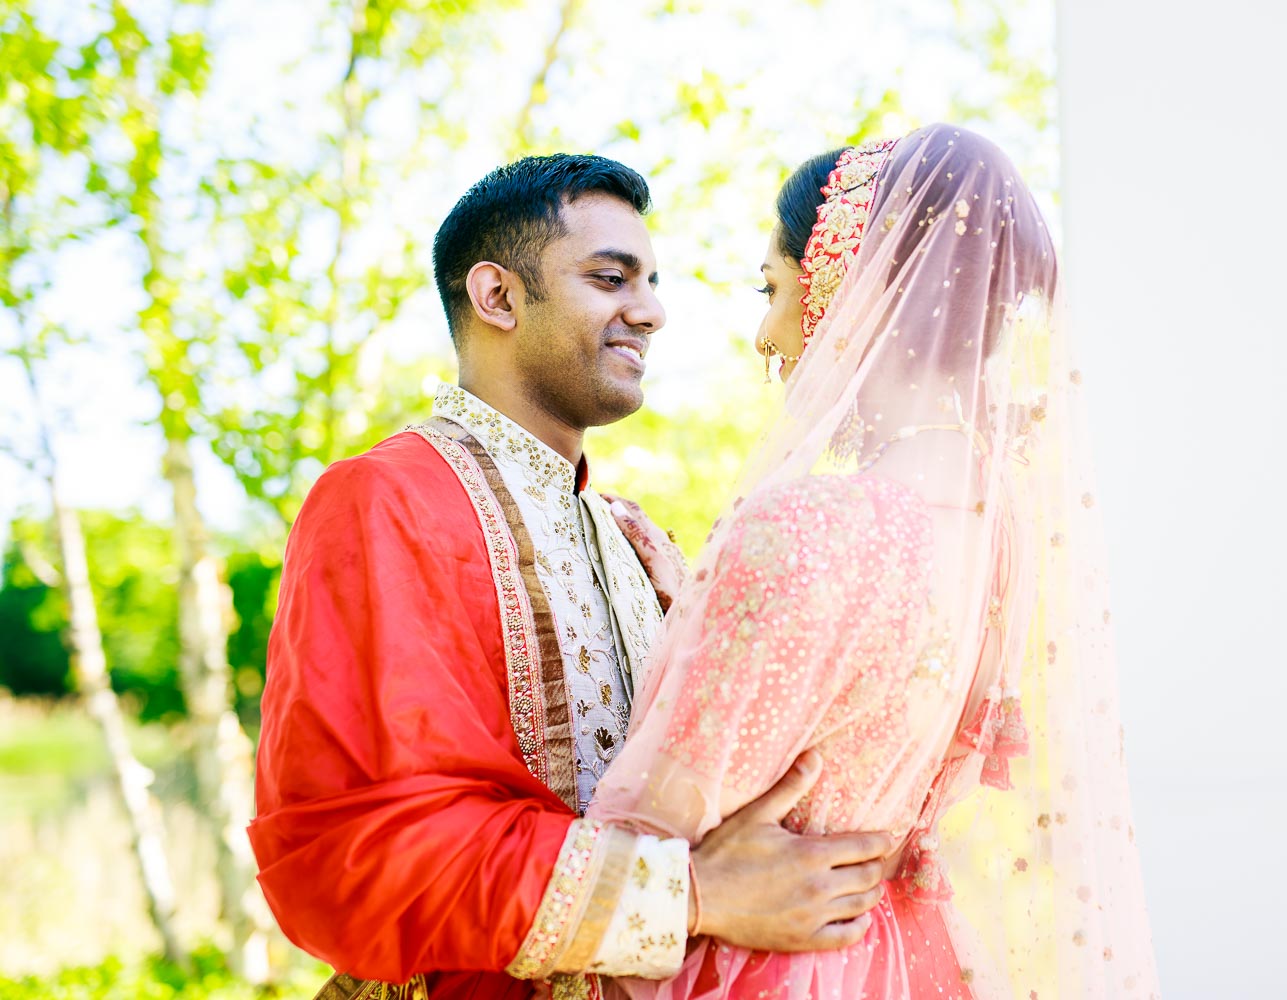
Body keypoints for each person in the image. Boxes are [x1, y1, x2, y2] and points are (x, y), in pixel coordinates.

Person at [248, 154, 895, 1000]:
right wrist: (693, 894)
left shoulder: (631, 533)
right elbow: (358, 846)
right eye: (610, 277)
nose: (653, 311)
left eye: (652, 281)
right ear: (498, 297)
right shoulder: (385, 500)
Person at [589, 126, 1160, 998]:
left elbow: (647, 833)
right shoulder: (1000, 533)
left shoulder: (812, 528)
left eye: (772, 289)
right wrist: (697, 608)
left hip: (774, 961)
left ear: (850, 293)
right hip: (906, 953)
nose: (764, 335)